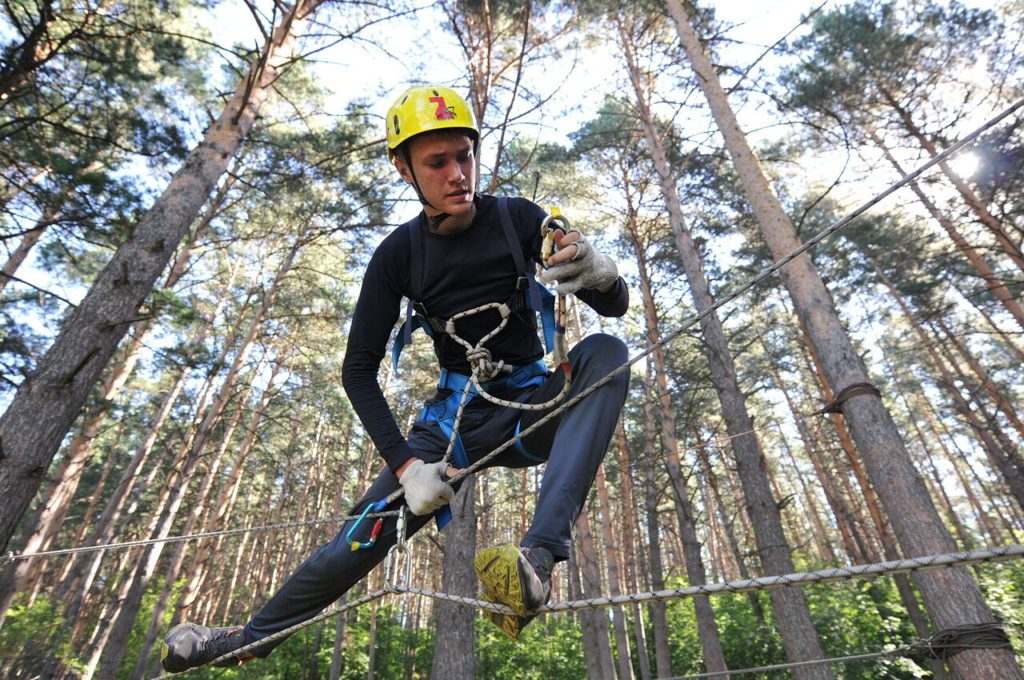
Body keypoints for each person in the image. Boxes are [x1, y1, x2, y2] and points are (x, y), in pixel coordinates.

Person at [161, 84, 629, 672]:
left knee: (607, 350)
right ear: (403, 168)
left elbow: (613, 307)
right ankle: (243, 642)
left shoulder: (517, 218)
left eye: (465, 155)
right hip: (453, 429)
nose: (458, 173)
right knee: (360, 536)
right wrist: (409, 468)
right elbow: (357, 371)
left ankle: (536, 562)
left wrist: (599, 273)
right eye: (438, 162)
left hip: (532, 405)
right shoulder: (397, 256)